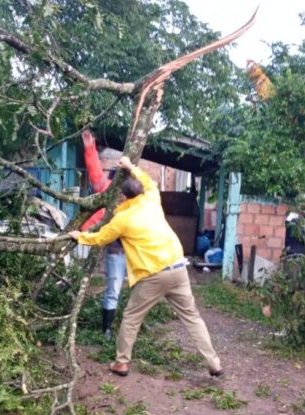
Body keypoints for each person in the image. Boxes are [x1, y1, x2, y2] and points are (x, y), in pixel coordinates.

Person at [68, 156, 223, 378]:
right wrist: (131, 166)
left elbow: (100, 237)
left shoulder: (123, 219)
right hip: (178, 268)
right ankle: (214, 363)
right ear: (140, 192)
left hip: (153, 275)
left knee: (131, 317)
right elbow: (149, 182)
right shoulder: (152, 198)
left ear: (122, 197)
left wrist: (79, 236)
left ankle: (121, 363)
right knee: (192, 317)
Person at [79, 129, 127, 341]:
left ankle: (128, 328)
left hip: (136, 250)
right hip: (116, 250)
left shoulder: (137, 196)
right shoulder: (106, 188)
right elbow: (95, 172)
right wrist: (90, 147)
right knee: (114, 288)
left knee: (142, 290)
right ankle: (106, 330)